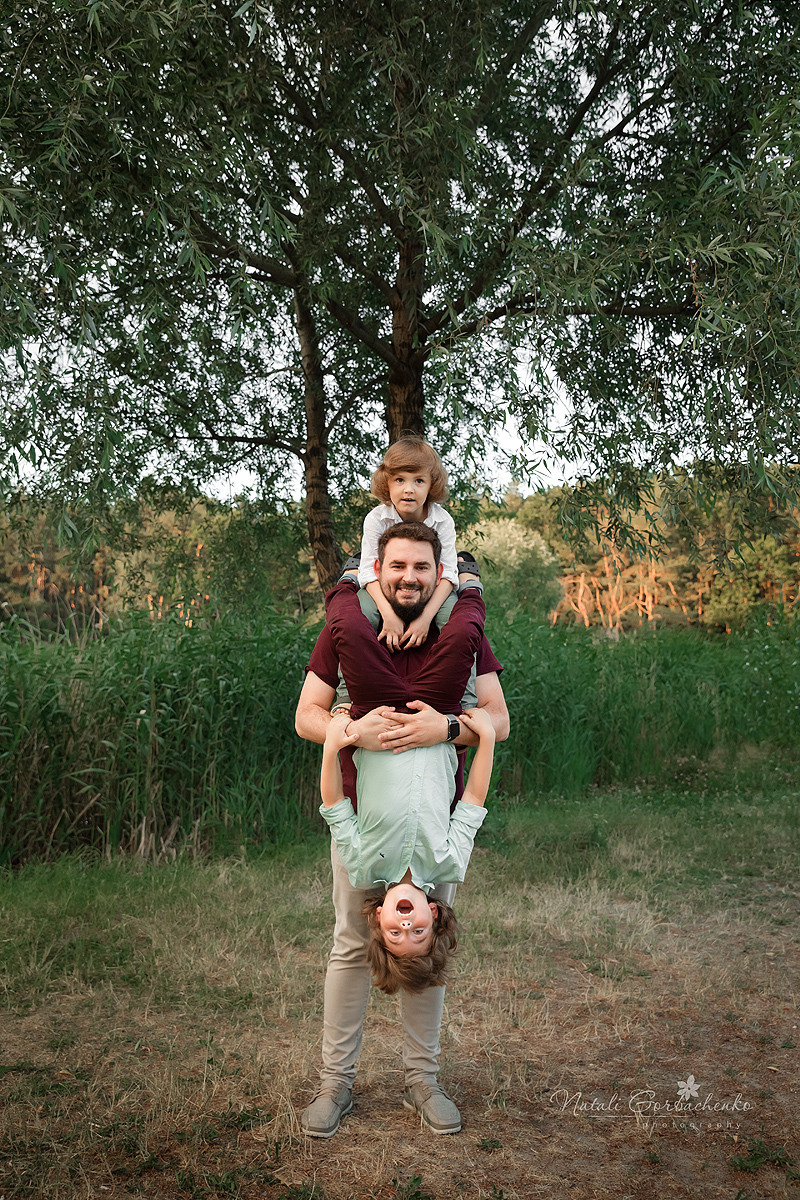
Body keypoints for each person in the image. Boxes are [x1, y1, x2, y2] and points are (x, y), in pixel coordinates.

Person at [295, 523, 509, 1138]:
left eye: (421, 567)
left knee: (422, 945)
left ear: (437, 573)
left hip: (433, 819)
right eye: (398, 567)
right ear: (377, 571)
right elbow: (309, 714)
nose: (408, 577)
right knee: (351, 945)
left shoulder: (459, 634)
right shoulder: (351, 628)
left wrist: (442, 730)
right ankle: (336, 1084)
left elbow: (500, 720)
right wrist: (352, 732)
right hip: (365, 818)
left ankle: (423, 1078)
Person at [320, 704, 496, 994]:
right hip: (435, 709)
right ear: (433, 914)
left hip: (381, 710)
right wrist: (486, 739)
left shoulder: (362, 866)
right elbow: (474, 799)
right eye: (417, 931)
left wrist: (331, 747)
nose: (406, 923)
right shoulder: (449, 863)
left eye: (395, 932)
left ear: (378, 917)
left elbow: (334, 806)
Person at [359, 434, 458, 650]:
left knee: (458, 625)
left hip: (431, 588)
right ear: (387, 482)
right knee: (357, 617)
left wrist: (425, 618)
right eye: (400, 480)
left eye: (419, 481)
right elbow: (367, 570)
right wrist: (388, 614)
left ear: (432, 485)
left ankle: (463, 682)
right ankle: (349, 682)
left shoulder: (442, 520)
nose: (409, 489)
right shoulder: (377, 519)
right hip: (385, 588)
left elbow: (449, 573)